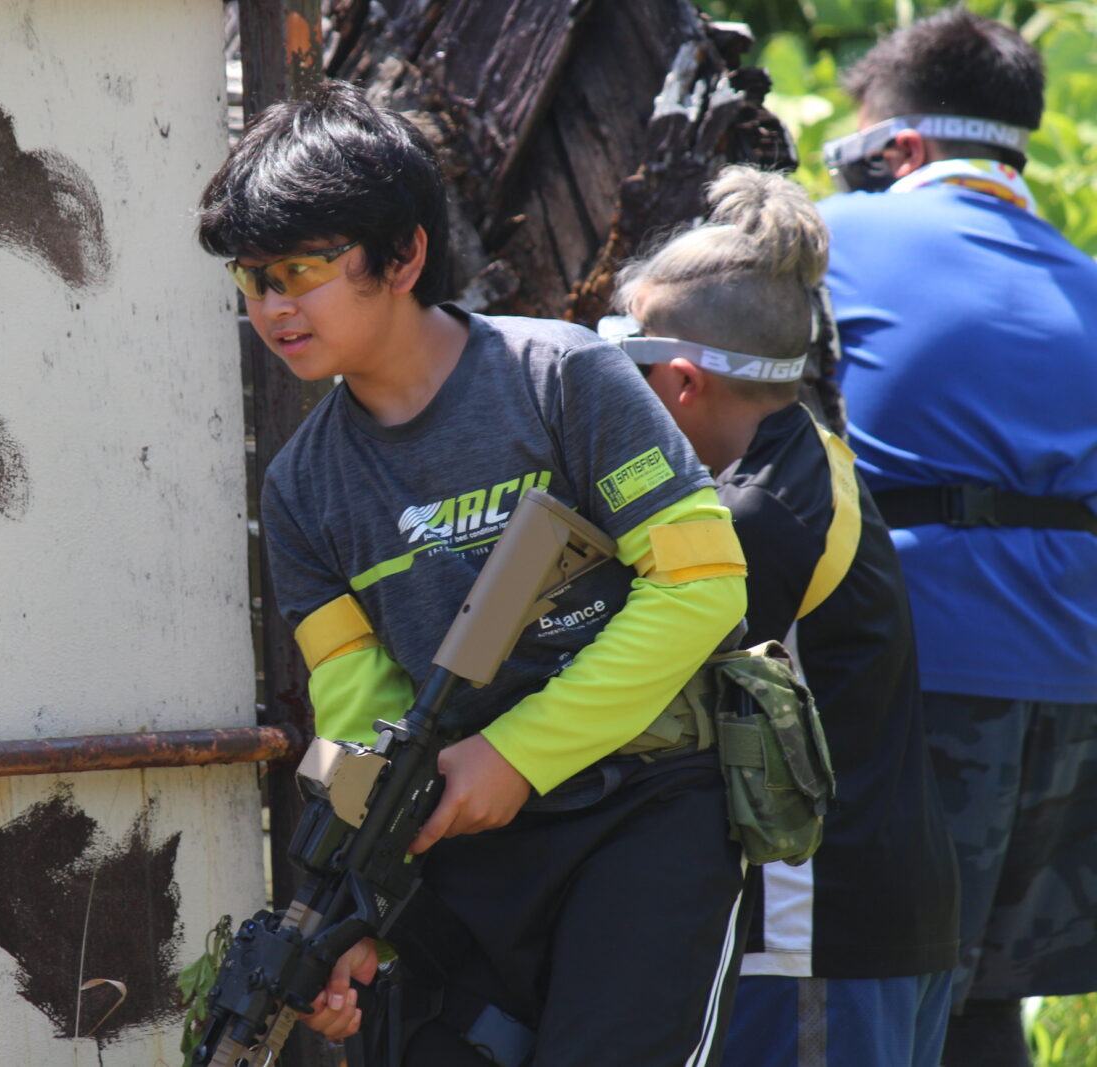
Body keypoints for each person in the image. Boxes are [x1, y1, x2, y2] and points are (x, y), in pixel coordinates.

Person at [198, 81, 751, 1065]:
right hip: (465, 853)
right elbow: (362, 709)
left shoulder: (562, 378)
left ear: (404, 255)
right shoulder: (299, 489)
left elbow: (702, 585)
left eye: (300, 270)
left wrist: (515, 753)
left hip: (642, 811)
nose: (273, 306)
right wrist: (353, 918)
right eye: (252, 279)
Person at [609, 164, 960, 1067]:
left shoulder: (752, 519)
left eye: (629, 370)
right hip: (872, 911)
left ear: (683, 381)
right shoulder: (809, 449)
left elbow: (628, 694)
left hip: (813, 929)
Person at [816, 12, 1097, 1065]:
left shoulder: (834, 239)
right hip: (1073, 687)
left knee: (868, 997)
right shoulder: (1087, 280)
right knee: (983, 1004)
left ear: (898, 148)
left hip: (914, 668)